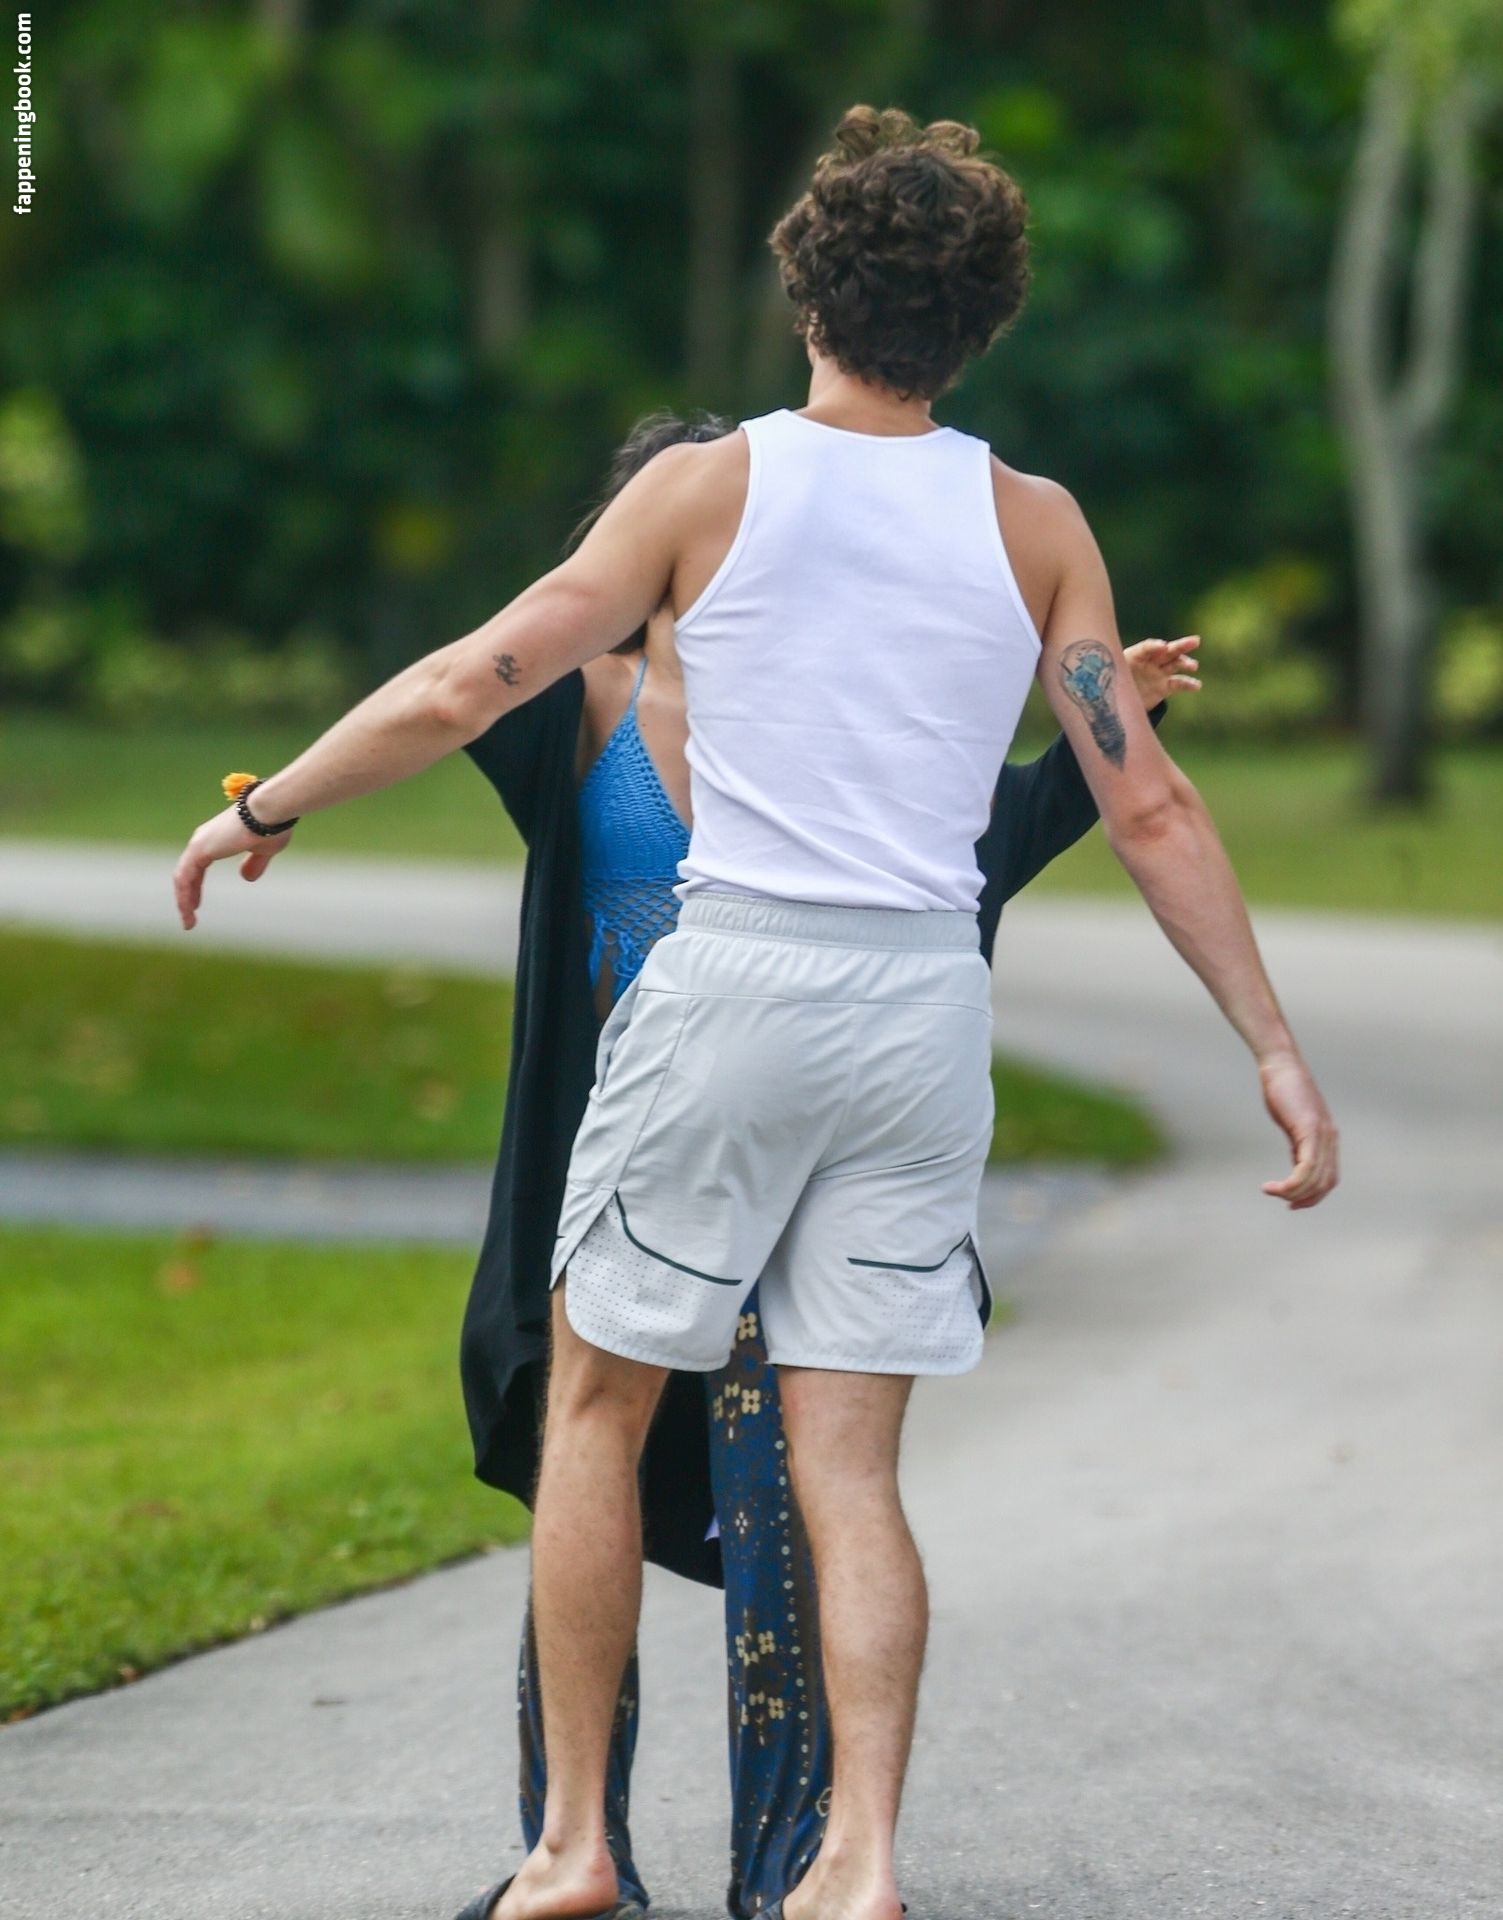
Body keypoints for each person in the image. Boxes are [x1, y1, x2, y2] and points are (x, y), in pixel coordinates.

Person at [173, 105, 1337, 1920]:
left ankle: (573, 1846)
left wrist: (266, 806)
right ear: (980, 325)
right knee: (847, 1464)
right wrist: (1270, 1044)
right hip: (922, 1011)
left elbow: (473, 678)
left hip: (736, 989)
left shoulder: (708, 488)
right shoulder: (1035, 523)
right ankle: (857, 1865)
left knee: (590, 1405)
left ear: (808, 294)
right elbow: (1152, 806)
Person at [456, 407, 1203, 1920]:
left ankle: (791, 1867)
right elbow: (465, 681)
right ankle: (572, 1846)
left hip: (806, 1170)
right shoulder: (576, 709)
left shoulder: (837, 735)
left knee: (785, 1518)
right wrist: (270, 799)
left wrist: (1112, 721)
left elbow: (995, 838)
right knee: (582, 1475)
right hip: (619, 1161)